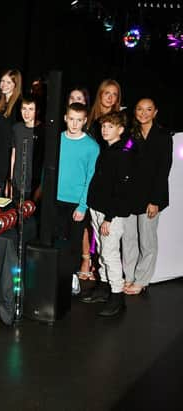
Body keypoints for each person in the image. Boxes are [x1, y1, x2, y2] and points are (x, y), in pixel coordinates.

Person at [80, 112, 136, 317]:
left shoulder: (123, 154)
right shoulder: (108, 149)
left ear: (120, 130)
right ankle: (104, 287)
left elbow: (122, 190)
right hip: (97, 208)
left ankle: (117, 295)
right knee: (102, 251)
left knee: (110, 254)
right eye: (103, 126)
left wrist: (110, 217)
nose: (105, 130)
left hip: (110, 214)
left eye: (110, 127)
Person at [121, 98, 173, 296]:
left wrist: (156, 201)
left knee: (147, 241)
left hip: (151, 197)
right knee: (129, 239)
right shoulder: (131, 134)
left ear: (155, 112)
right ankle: (129, 277)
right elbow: (124, 157)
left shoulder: (162, 136)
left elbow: (163, 171)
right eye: (140, 109)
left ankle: (142, 280)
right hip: (129, 196)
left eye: (148, 109)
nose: (143, 113)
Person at [56, 103, 99, 279]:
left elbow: (91, 178)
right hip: (56, 200)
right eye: (71, 119)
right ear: (65, 118)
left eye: (79, 120)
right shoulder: (57, 139)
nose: (74, 124)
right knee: (57, 241)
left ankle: (71, 278)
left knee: (74, 245)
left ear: (85, 121)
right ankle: (56, 278)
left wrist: (82, 206)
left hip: (76, 203)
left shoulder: (91, 146)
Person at [9, 95, 39, 201]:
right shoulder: (16, 128)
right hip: (17, 183)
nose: (27, 113)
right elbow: (13, 155)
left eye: (31, 109)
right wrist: (11, 180)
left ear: (37, 111)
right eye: (24, 109)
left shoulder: (41, 130)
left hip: (33, 185)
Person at [88, 79, 122, 147]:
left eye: (114, 94)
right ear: (100, 94)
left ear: (117, 99)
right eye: (107, 93)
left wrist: (124, 151)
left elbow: (131, 142)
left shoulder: (121, 118)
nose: (110, 97)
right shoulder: (88, 115)